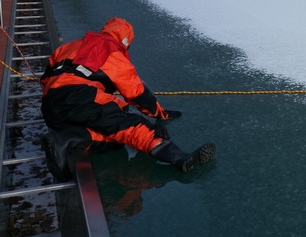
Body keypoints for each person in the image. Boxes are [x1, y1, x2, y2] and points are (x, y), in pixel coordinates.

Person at [40, 17, 215, 178]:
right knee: (132, 127)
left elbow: (46, 78)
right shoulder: (113, 54)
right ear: (126, 41)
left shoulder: (70, 46)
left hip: (50, 106)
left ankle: (68, 139)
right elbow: (137, 93)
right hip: (81, 97)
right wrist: (159, 113)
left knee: (114, 139)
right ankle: (179, 157)